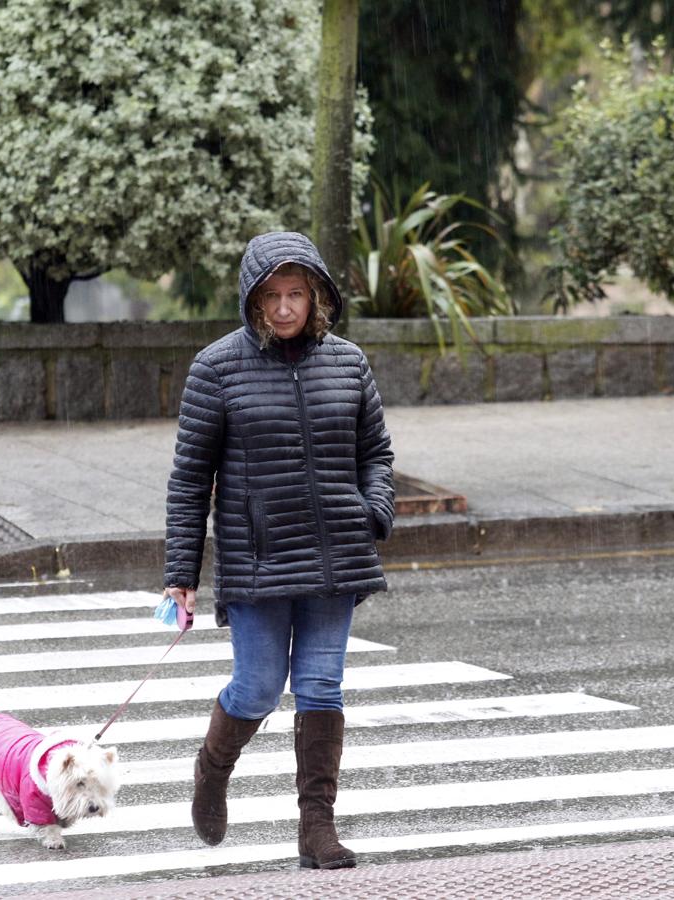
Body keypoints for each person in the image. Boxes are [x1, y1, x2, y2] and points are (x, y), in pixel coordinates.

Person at [162, 231, 395, 870]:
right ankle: (212, 767)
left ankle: (316, 827)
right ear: (253, 300)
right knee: (259, 688)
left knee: (321, 685)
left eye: (298, 294)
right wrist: (181, 573)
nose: (287, 308)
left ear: (316, 294)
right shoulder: (216, 368)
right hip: (257, 562)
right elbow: (190, 478)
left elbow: (375, 453)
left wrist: (374, 513)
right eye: (274, 296)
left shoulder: (348, 362)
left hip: (336, 559)